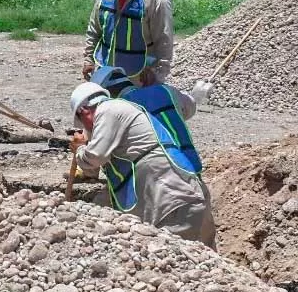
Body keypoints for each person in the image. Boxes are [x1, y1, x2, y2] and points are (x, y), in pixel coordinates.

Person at [69, 81, 215, 248]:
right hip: (186, 200)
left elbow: (96, 156)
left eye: (83, 123)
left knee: (174, 255)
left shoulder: (107, 110)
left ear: (84, 111)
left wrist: (80, 149)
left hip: (173, 202)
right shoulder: (122, 112)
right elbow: (97, 165)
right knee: (207, 259)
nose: (88, 130)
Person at [82, 0, 174, 87]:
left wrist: (156, 73)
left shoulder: (155, 0)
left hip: (140, 78)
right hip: (106, 74)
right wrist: (88, 59)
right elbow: (94, 29)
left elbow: (164, 41)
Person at [89, 65, 202, 172]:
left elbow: (99, 155)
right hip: (193, 166)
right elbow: (190, 106)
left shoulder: (118, 109)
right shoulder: (167, 90)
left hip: (163, 174)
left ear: (107, 93)